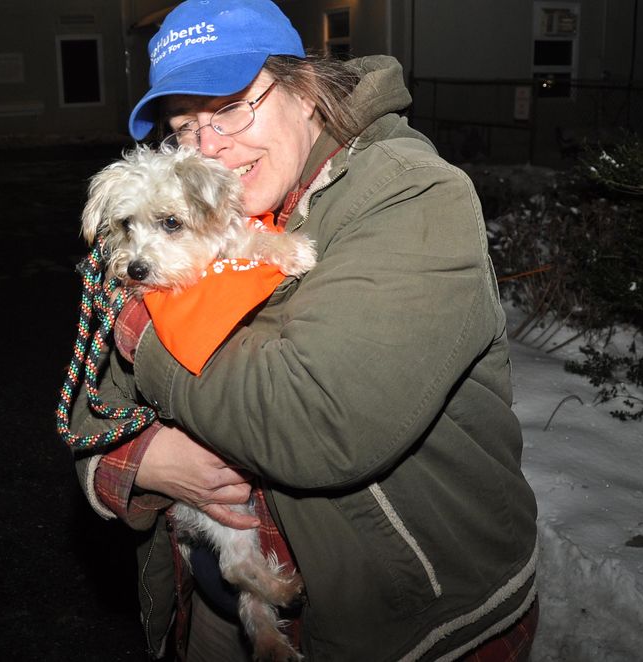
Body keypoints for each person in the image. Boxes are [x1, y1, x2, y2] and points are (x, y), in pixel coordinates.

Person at [69, 0, 539, 660]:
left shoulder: (409, 197)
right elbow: (91, 417)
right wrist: (137, 462)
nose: (208, 148)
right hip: (217, 612)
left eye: (231, 108)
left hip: (405, 632)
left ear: (306, 88)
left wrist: (144, 329)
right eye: (183, 128)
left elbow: (321, 425)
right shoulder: (191, 232)